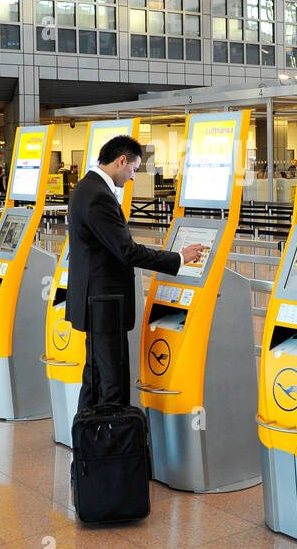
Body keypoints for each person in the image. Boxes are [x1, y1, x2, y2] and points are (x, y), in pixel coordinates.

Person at [66, 134, 203, 409]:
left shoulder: (86, 188)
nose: (131, 177)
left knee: (95, 378)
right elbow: (127, 251)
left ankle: (89, 446)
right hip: (104, 304)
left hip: (94, 302)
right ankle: (111, 445)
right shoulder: (98, 196)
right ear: (121, 160)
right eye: (133, 169)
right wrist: (178, 258)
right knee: (112, 383)